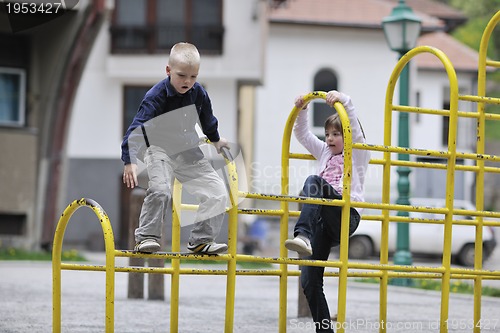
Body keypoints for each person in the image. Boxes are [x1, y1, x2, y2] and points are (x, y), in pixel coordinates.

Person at [121, 42, 229, 255]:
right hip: (159, 150)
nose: (187, 82)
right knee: (161, 190)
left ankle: (201, 240)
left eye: (193, 76)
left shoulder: (199, 93)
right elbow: (136, 128)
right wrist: (129, 160)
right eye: (181, 76)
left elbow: (207, 118)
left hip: (188, 151)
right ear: (168, 70)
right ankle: (146, 237)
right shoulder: (156, 96)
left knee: (218, 193)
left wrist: (215, 140)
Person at [284, 90, 370, 332]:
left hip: (344, 214)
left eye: (337, 134)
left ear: (349, 136)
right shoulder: (324, 152)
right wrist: (302, 109)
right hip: (321, 220)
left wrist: (344, 100)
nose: (330, 139)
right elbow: (302, 134)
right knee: (309, 281)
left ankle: (302, 234)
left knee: (314, 181)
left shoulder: (359, 153)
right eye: (328, 134)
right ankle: (325, 330)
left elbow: (353, 126)